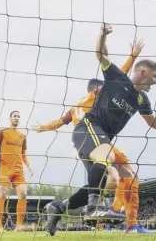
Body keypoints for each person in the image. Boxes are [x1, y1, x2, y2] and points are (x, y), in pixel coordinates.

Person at [48, 24, 156, 234]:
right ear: (143, 72)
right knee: (105, 157)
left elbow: (154, 123)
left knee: (115, 180)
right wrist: (102, 35)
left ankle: (59, 207)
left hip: (102, 138)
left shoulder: (142, 99)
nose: (155, 81)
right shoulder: (117, 78)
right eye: (153, 76)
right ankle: (93, 208)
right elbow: (101, 54)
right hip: (87, 128)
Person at [35, 37, 143, 236]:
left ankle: (59, 207)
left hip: (83, 142)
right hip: (95, 136)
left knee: (105, 180)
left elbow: (59, 121)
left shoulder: (76, 106)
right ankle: (109, 210)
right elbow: (119, 77)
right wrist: (133, 56)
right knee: (119, 176)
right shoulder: (98, 95)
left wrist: (42, 127)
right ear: (97, 89)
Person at [0, 111, 33, 231]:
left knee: (23, 194)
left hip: (18, 171)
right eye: (15, 116)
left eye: (18, 116)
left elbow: (23, 155)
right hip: (5, 169)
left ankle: (19, 226)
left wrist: (28, 165)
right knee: (2, 194)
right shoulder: (3, 131)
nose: (17, 118)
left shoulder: (22, 136)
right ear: (10, 118)